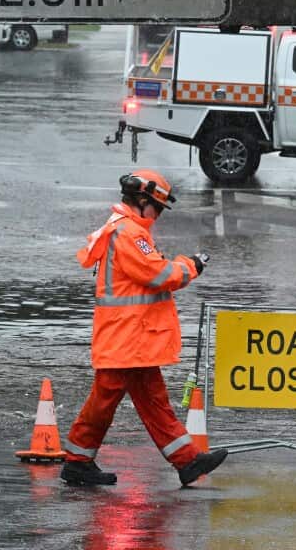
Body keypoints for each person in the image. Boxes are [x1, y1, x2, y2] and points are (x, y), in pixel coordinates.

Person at [61, 169, 228, 487]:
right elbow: (159, 274)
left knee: (153, 399)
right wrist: (191, 265)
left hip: (130, 337)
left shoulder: (126, 229)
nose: (159, 215)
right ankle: (77, 462)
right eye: (157, 208)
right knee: (105, 399)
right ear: (141, 201)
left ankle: (188, 461)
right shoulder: (129, 233)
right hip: (126, 337)